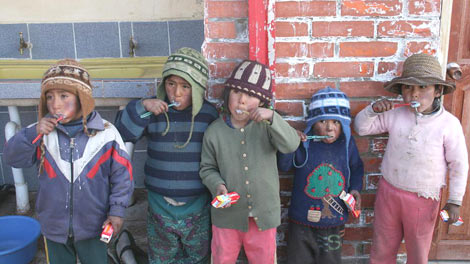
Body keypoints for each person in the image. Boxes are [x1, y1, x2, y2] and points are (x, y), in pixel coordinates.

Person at [4, 59, 134, 264]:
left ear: (82, 98)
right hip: (54, 227)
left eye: (64, 96)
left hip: (94, 226)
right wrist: (32, 132)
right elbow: (13, 158)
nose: (55, 104)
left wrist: (117, 212)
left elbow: (122, 177)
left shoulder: (106, 134)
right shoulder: (41, 133)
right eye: (49, 97)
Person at [353, 53, 469, 264]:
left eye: (423, 87)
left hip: (423, 198)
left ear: (438, 90)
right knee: (382, 246)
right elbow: (361, 128)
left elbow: (459, 164)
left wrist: (454, 201)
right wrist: (372, 110)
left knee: (418, 251)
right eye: (408, 87)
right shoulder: (395, 114)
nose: (414, 94)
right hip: (389, 192)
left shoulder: (448, 125)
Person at [115, 47, 218, 264]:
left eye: (185, 86)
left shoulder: (208, 115)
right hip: (159, 203)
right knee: (161, 256)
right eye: (171, 84)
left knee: (197, 255)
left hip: (197, 204)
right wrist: (143, 106)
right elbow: (123, 132)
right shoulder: (154, 111)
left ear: (198, 89)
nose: (176, 93)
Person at [200, 59, 300, 264]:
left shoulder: (267, 126)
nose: (242, 101)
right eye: (237, 92)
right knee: (221, 258)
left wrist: (272, 117)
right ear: (228, 93)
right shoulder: (214, 132)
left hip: (263, 215)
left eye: (252, 95)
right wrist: (217, 185)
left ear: (262, 102)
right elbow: (207, 168)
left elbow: (291, 145)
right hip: (227, 216)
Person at [277, 87, 364, 263]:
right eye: (323, 121)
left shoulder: (347, 145)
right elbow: (284, 166)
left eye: (336, 122)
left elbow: (356, 167)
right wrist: (291, 142)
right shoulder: (305, 144)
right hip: (301, 222)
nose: (329, 127)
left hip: (333, 224)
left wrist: (355, 189)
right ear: (312, 122)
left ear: (344, 125)